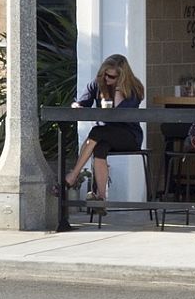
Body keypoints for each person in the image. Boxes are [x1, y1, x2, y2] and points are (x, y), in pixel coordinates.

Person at [61, 52, 144, 206]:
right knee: (99, 148)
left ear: (122, 77)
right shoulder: (98, 84)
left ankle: (73, 176)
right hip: (105, 135)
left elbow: (120, 114)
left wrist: (118, 91)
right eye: (105, 74)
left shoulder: (134, 88)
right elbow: (83, 102)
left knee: (97, 131)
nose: (107, 79)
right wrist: (77, 106)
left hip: (128, 135)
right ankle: (101, 199)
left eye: (112, 77)